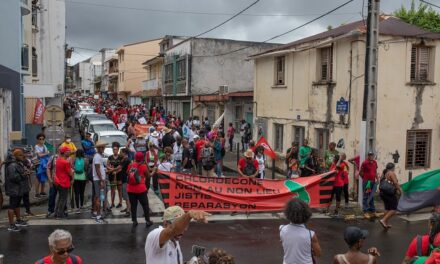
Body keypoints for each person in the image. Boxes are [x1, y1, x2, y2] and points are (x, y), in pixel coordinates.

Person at [145, 206, 210, 263]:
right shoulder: (154, 235)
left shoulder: (174, 240)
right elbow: (173, 229)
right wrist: (188, 215)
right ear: (165, 223)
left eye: (185, 225)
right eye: (181, 225)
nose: (184, 229)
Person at [280, 198, 321, 264]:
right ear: (307, 214)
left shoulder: (282, 229)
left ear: (287, 213)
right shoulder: (311, 234)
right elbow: (318, 253)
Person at [4, 149, 29, 231]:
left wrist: (25, 172)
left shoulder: (18, 164)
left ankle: (18, 220)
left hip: (19, 189)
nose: (23, 156)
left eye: (23, 155)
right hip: (14, 189)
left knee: (17, 205)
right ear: (16, 156)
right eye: (21, 155)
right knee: (12, 206)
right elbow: (13, 177)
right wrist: (23, 174)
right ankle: (11, 225)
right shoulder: (12, 165)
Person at [126, 152, 153, 228]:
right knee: (145, 205)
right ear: (142, 158)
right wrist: (154, 171)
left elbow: (128, 173)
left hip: (131, 189)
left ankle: (134, 221)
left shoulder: (131, 165)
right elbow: (148, 176)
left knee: (133, 206)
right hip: (141, 189)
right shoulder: (144, 166)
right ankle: (147, 221)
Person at [378, 163, 402, 230]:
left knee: (387, 208)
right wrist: (400, 191)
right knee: (394, 209)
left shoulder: (384, 172)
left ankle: (385, 222)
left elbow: (381, 182)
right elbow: (395, 183)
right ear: (393, 168)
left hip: (383, 193)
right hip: (389, 193)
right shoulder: (391, 173)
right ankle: (383, 220)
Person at [54, 147, 74, 220]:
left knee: (60, 198)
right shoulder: (66, 162)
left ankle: (56, 213)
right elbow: (70, 172)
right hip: (64, 182)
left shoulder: (58, 160)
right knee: (63, 199)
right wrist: (73, 178)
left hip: (58, 182)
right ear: (65, 152)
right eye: (68, 151)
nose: (69, 152)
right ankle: (59, 215)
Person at [92, 140, 108, 223]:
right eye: (101, 147)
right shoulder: (97, 156)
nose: (103, 148)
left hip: (99, 179)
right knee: (99, 198)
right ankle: (98, 216)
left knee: (98, 197)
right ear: (98, 148)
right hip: (98, 180)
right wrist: (102, 180)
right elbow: (97, 169)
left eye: (103, 147)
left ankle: (96, 213)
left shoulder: (98, 156)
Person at [360, 151, 379, 219]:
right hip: (367, 182)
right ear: (368, 156)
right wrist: (365, 179)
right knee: (366, 196)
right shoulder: (365, 163)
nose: (371, 156)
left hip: (373, 181)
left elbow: (375, 171)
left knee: (372, 196)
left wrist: (377, 179)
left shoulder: (374, 162)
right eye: (369, 155)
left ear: (373, 156)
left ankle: (372, 211)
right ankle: (365, 211)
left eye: (372, 155)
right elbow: (360, 172)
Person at [107, 142, 122, 209]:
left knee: (119, 189)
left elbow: (121, 166)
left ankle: (120, 202)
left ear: (118, 150)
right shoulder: (110, 157)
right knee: (112, 189)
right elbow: (107, 165)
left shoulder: (121, 157)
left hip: (119, 174)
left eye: (116, 149)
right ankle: (112, 203)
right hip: (112, 174)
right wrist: (112, 169)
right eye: (113, 149)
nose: (114, 150)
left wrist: (116, 171)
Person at [35, 133, 51, 198]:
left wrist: (44, 153)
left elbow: (46, 153)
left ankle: (42, 191)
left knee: (43, 177)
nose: (41, 140)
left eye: (43, 139)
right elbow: (39, 155)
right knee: (38, 178)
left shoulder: (44, 146)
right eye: (40, 139)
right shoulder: (36, 146)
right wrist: (46, 153)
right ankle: (37, 193)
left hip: (44, 164)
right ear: (37, 140)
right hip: (38, 164)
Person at [72, 149, 87, 214]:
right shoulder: (85, 160)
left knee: (76, 193)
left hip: (75, 178)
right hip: (83, 178)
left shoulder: (74, 159)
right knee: (82, 192)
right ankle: (82, 205)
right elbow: (86, 168)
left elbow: (72, 167)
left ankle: (77, 207)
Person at [118, 148, 131, 217]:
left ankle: (128, 210)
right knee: (125, 195)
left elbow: (119, 167)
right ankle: (127, 207)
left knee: (126, 195)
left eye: (121, 152)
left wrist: (111, 170)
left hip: (126, 179)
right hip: (123, 179)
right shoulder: (124, 159)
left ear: (124, 153)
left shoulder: (126, 160)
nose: (120, 153)